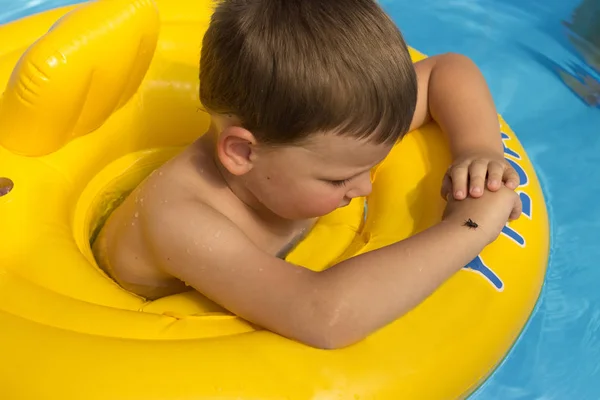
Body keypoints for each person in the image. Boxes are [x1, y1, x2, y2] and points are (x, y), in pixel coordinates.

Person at [93, 0, 522, 349]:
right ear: (242, 152)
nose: (366, 187)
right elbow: (322, 316)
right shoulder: (183, 219)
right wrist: (469, 226)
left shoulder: (323, 129)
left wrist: (478, 150)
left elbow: (448, 70)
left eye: (372, 166)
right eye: (338, 180)